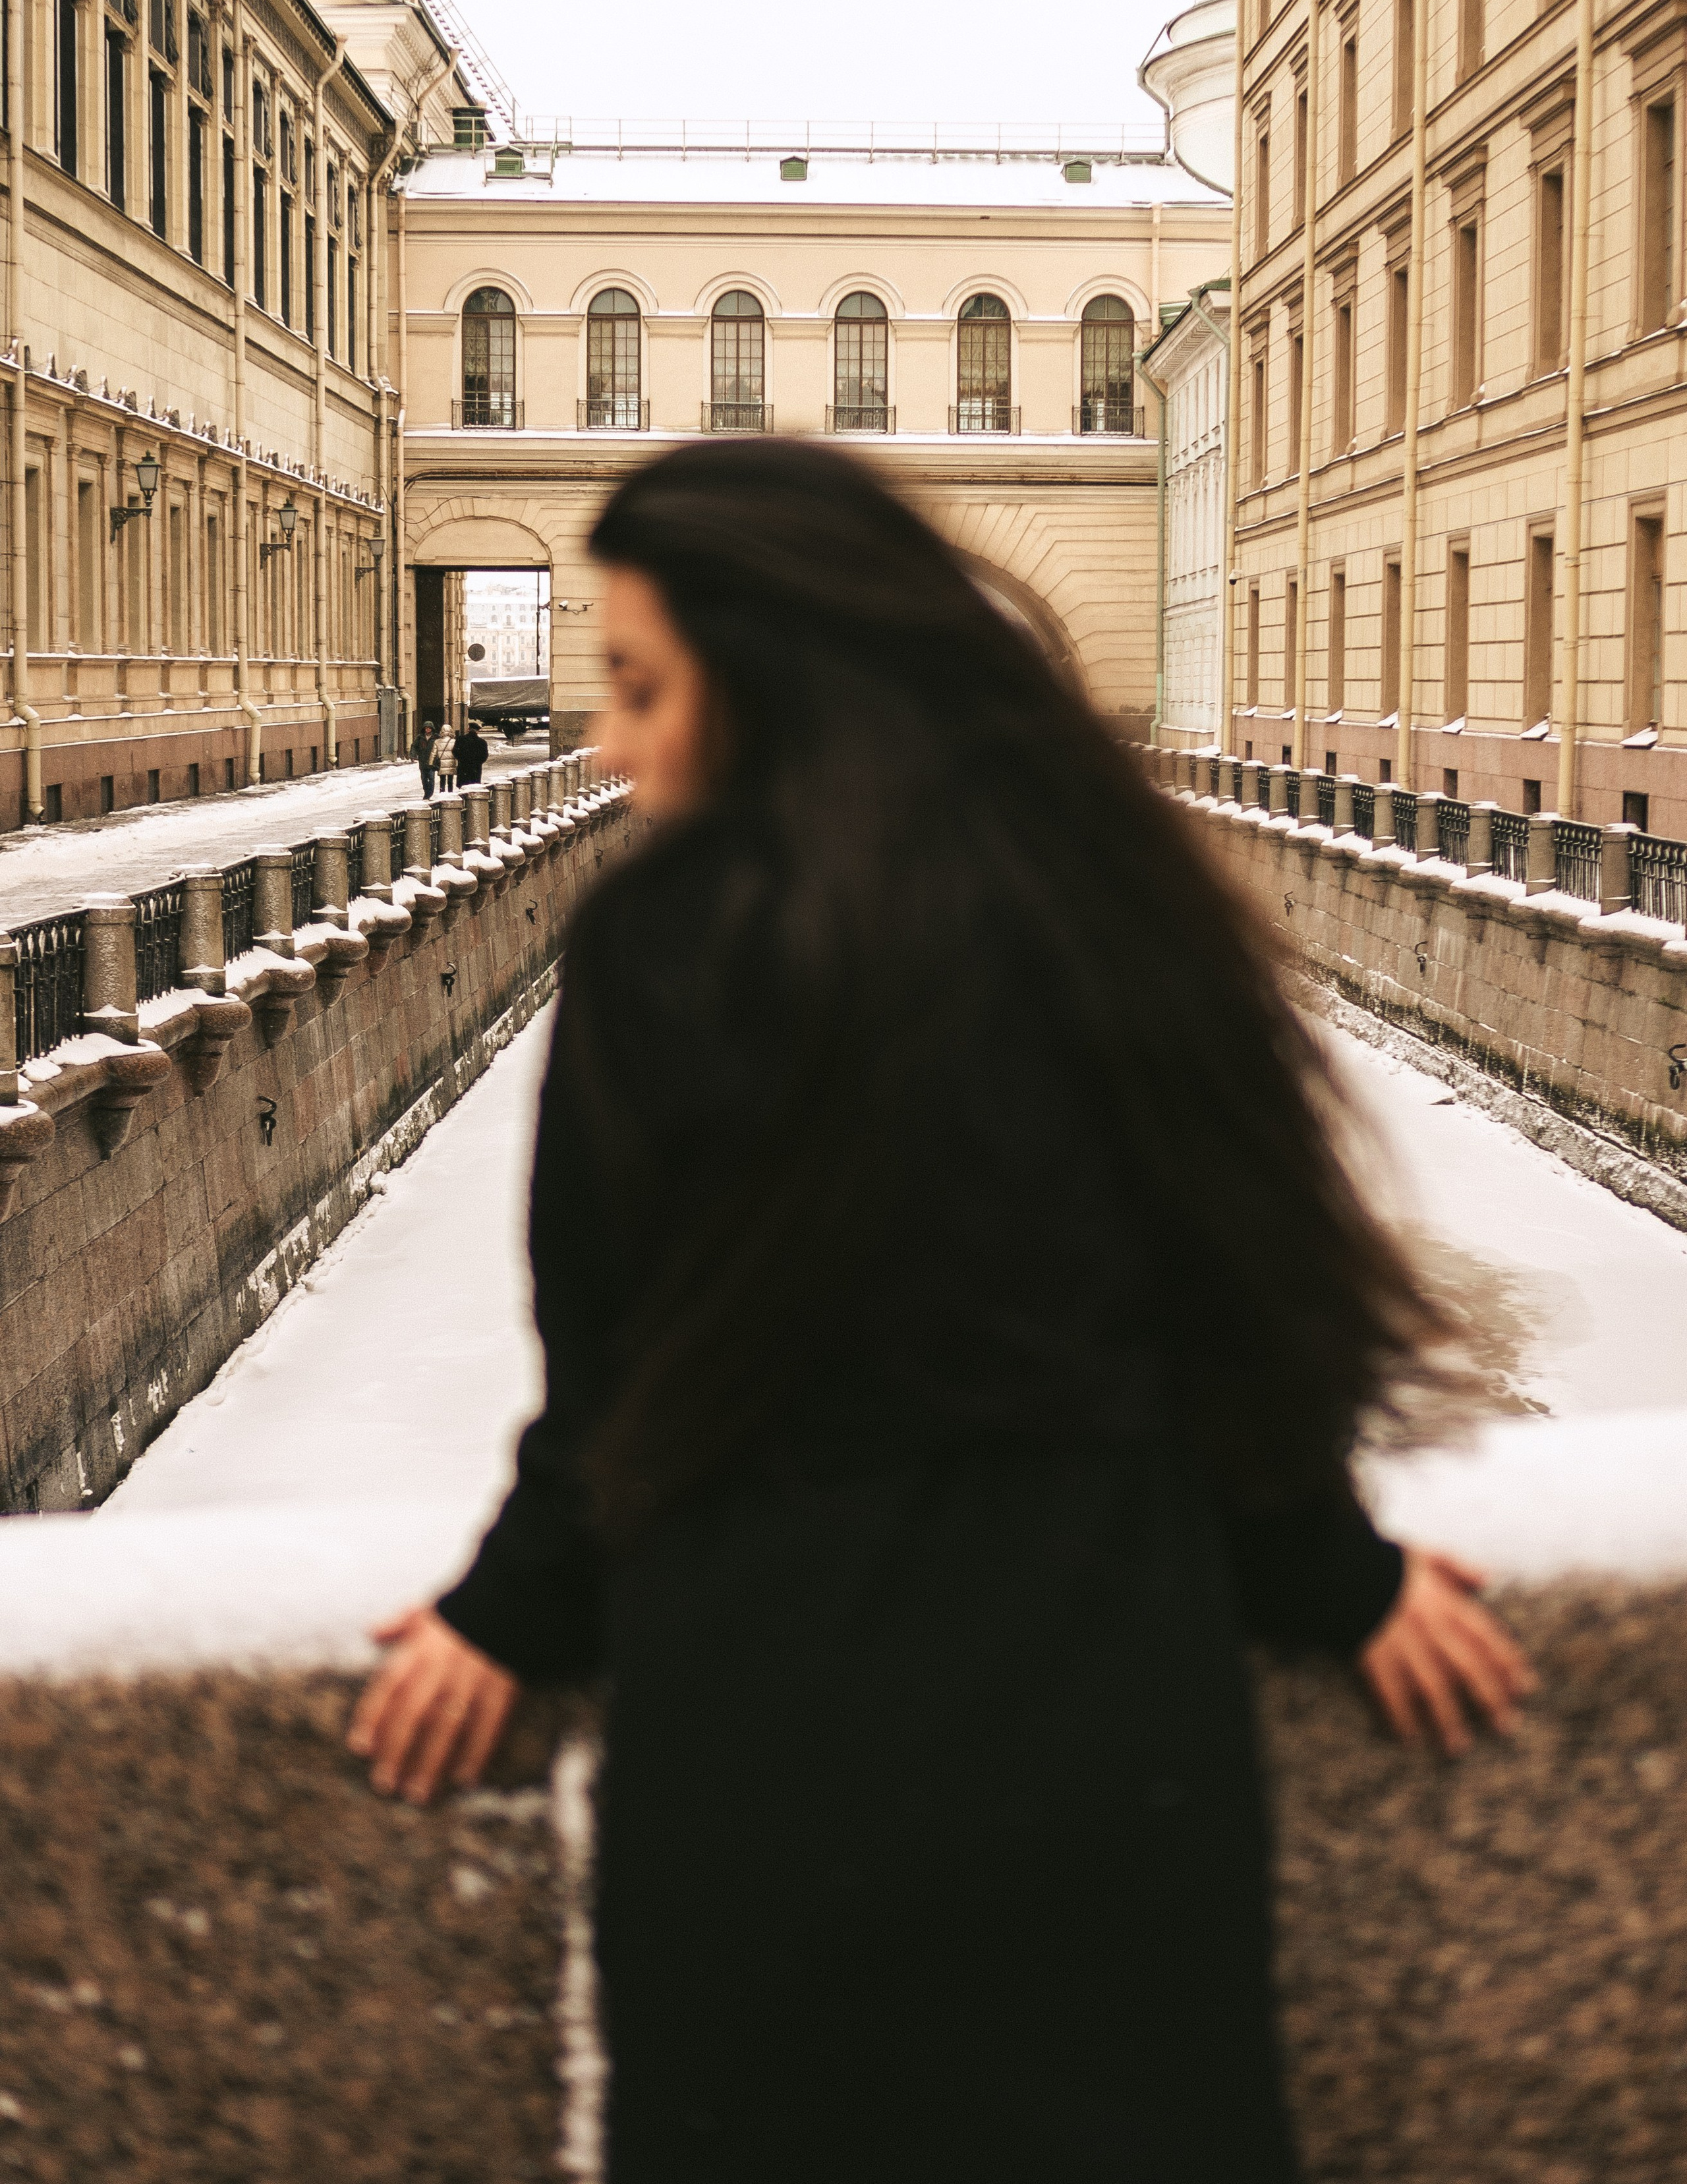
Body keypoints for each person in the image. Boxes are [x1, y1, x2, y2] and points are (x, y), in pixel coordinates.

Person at [350, 442, 1533, 2184]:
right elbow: (1240, 1305)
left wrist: (509, 1615)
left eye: (640, 688)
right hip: (1101, 1730)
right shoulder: (1107, 900)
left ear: (774, 683)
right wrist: (1330, 1576)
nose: (604, 744)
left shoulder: (666, 941)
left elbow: (610, 1377)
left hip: (760, 1742)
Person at [455, 721, 489, 790]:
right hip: (476, 768)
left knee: (463, 787)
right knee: (474, 788)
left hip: (463, 768)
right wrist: (478, 762)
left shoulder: (461, 739)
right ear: (477, 731)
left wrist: (461, 760)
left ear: (469, 729)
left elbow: (455, 751)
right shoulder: (482, 742)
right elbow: (485, 755)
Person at [413, 718, 437, 801]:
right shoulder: (420, 738)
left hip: (432, 762)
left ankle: (429, 794)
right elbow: (414, 746)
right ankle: (426, 792)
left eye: (429, 728)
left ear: (432, 729)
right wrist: (413, 755)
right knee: (424, 779)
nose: (428, 730)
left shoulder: (436, 737)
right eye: (426, 728)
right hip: (423, 761)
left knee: (431, 778)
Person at [431, 722, 458, 792]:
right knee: (450, 780)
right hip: (451, 763)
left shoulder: (437, 742)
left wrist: (431, 763)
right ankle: (450, 791)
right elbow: (457, 753)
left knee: (442, 780)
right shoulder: (454, 741)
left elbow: (433, 754)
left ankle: (442, 791)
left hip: (441, 764)